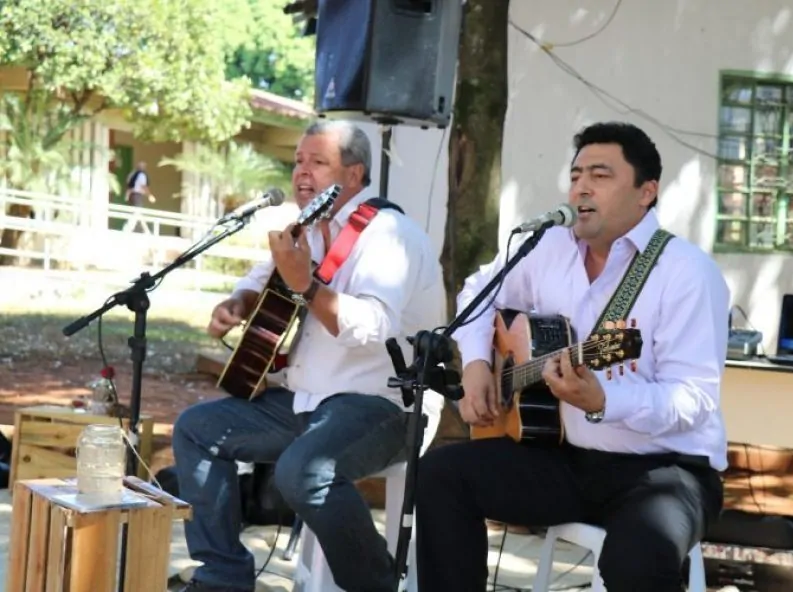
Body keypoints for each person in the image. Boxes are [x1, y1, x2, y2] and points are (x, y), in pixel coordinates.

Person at [415, 121, 730, 592]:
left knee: (638, 559)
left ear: (646, 193)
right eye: (576, 175)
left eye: (600, 176)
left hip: (666, 469)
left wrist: (604, 400)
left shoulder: (686, 273)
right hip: (566, 458)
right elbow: (478, 291)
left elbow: (693, 401)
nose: (581, 187)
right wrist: (478, 362)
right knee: (441, 476)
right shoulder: (548, 246)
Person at [172, 120, 445, 592]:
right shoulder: (310, 229)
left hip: (385, 406)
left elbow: (373, 327)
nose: (302, 171)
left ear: (354, 174)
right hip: (308, 401)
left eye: (318, 162)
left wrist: (306, 285)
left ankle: (378, 585)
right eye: (299, 160)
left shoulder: (389, 235)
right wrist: (239, 302)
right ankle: (223, 578)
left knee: (304, 471)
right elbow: (262, 275)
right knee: (197, 430)